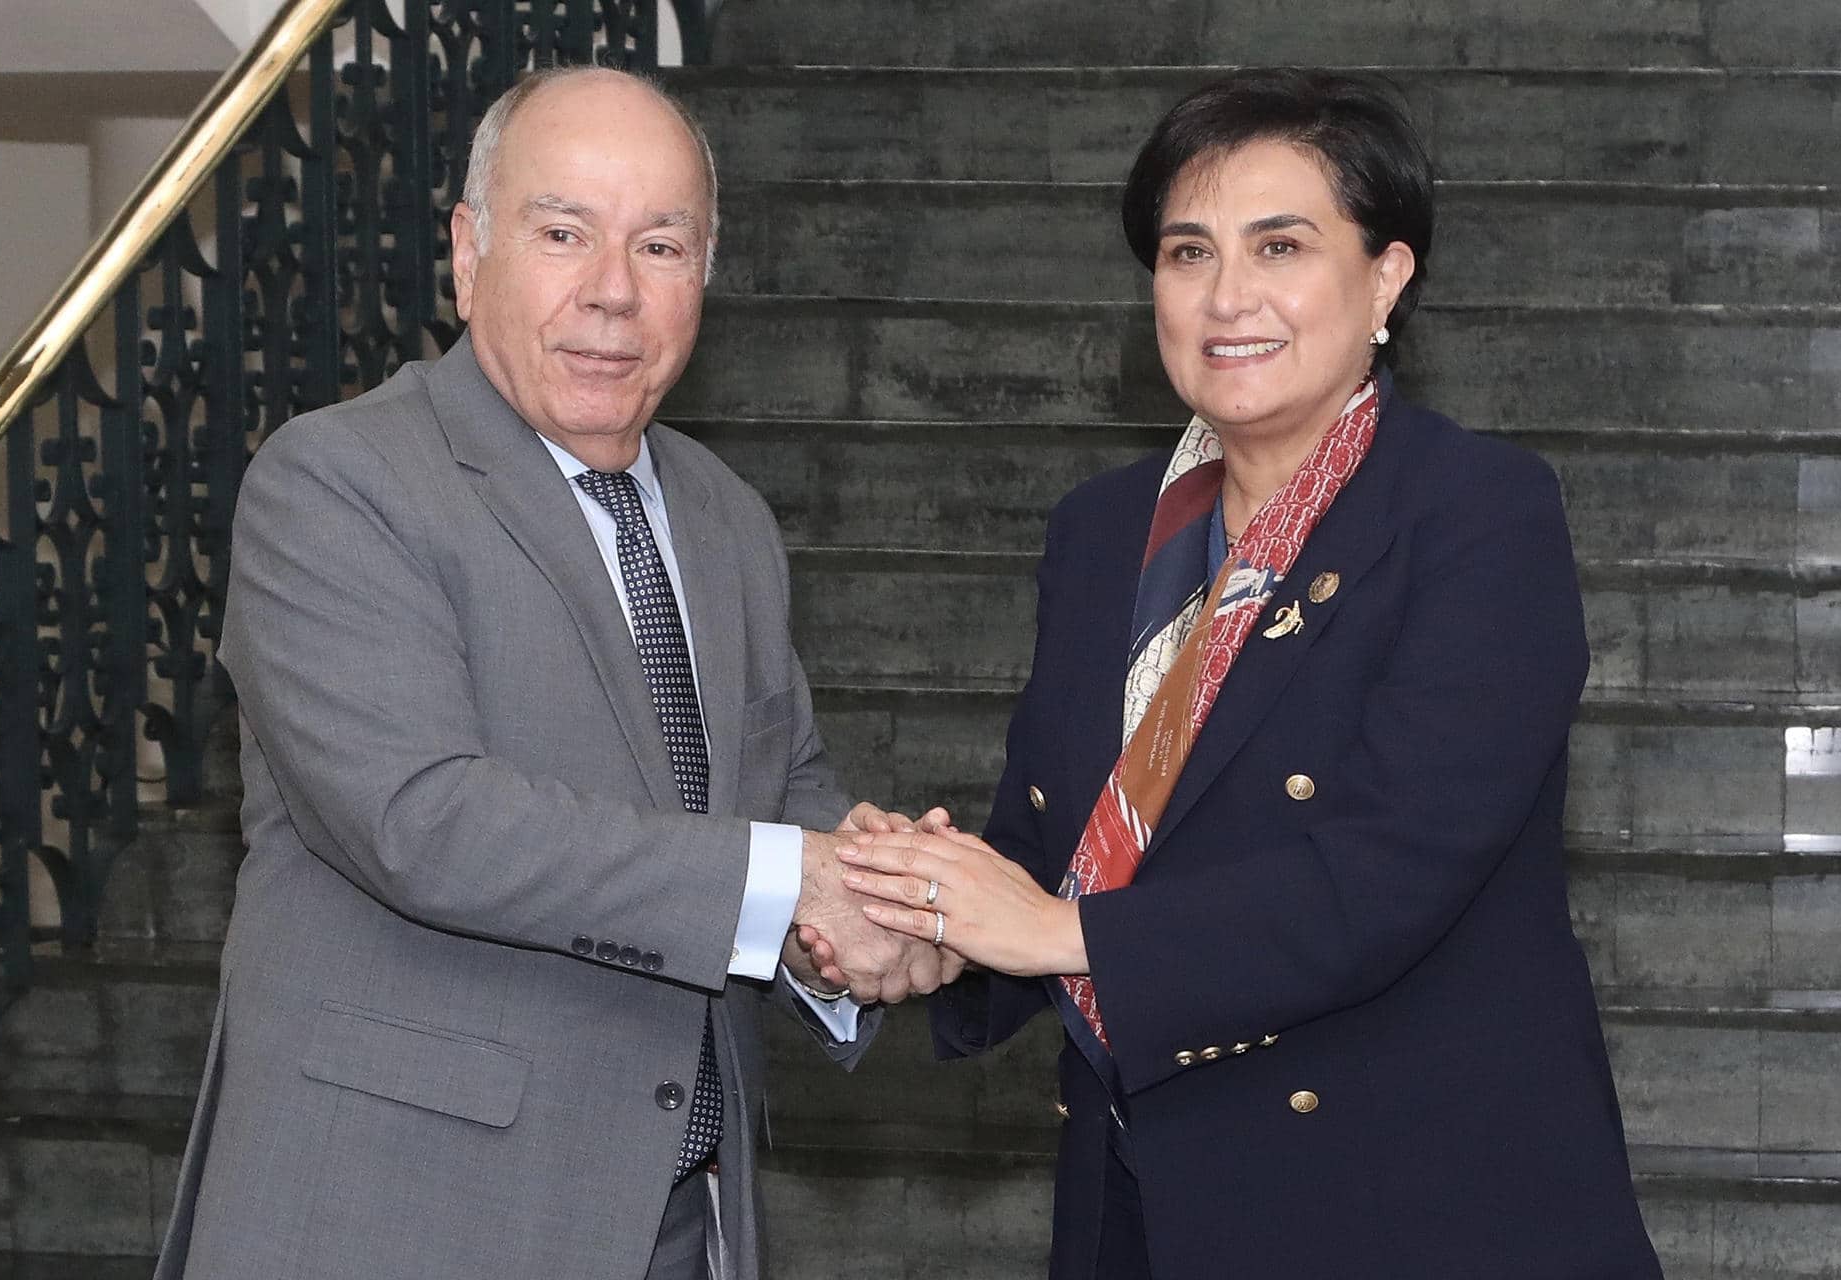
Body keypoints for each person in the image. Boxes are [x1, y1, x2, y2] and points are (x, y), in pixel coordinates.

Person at [830, 69, 1664, 1278]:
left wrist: (1059, 932)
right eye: (1186, 252)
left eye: (1281, 246)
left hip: (1407, 1203)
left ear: (1386, 276)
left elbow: (1387, 869)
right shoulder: (1105, 531)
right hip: (1142, 1198)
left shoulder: (1478, 514)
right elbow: (1071, 840)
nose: (1228, 297)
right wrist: (919, 918)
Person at [153, 66, 951, 1280]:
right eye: (563, 232)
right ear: (469, 255)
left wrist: (880, 908)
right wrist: (798, 878)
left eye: (662, 244)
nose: (614, 293)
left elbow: (785, 784)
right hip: (401, 1220)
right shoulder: (336, 482)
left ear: (706, 273)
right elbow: (425, 820)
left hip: (684, 1221)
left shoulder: (726, 517)